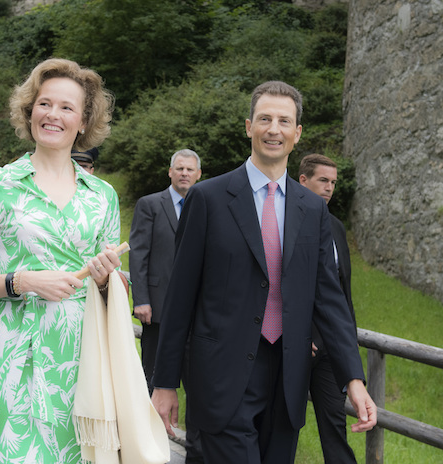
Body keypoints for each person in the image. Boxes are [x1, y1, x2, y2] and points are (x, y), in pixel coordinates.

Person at [151, 81, 377, 463]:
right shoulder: (208, 199)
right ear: (249, 126)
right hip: (221, 378)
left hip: (287, 379)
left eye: (284, 121)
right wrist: (165, 382)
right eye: (265, 119)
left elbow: (329, 298)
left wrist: (353, 378)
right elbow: (180, 297)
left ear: (297, 132)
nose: (274, 129)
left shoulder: (313, 209)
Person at [0, 58, 120, 464]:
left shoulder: (102, 196)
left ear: (83, 120)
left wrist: (107, 280)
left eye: (66, 107)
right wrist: (19, 281)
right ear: (29, 110)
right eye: (44, 103)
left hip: (81, 363)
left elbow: (113, 290)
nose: (52, 115)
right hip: (12, 359)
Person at [129, 148, 202, 462]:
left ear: (199, 175)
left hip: (196, 315)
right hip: (156, 311)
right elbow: (138, 254)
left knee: (197, 382)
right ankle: (144, 444)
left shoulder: (205, 206)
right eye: (180, 168)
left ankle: (193, 447)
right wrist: (141, 299)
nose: (185, 173)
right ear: (170, 172)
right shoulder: (150, 205)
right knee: (152, 377)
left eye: (190, 169)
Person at [298, 153, 357, 463]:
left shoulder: (335, 227)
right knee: (283, 424)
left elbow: (341, 293)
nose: (329, 188)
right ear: (303, 180)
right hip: (293, 344)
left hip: (330, 348)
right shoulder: (282, 221)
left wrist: (347, 343)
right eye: (323, 180)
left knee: (335, 424)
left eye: (333, 182)